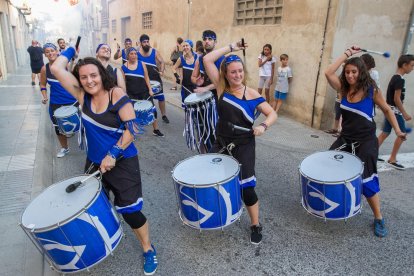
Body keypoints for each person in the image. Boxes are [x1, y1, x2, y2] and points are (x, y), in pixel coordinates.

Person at [51, 47, 159, 275]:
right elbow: (55, 67)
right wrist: (71, 49)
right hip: (94, 162)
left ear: (102, 74)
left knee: (130, 212)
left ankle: (148, 249)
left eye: (93, 75)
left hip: (122, 161)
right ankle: (104, 238)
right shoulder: (82, 96)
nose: (89, 81)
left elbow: (132, 129)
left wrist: (113, 153)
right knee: (93, 205)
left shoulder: (116, 94)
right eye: (83, 77)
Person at [324, 45, 407, 238]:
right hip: (346, 138)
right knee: (328, 163)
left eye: (354, 71)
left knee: (368, 181)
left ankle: (378, 218)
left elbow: (387, 109)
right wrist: (347, 54)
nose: (350, 75)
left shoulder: (372, 91)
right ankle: (339, 202)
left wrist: (397, 129)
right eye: (347, 72)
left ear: (361, 72)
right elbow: (328, 72)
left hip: (366, 141)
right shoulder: (343, 89)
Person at [204, 40, 277, 245]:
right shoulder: (221, 88)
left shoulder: (252, 94)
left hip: (244, 145)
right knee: (212, 177)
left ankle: (255, 224)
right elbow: (207, 59)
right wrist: (231, 47)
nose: (237, 75)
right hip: (221, 141)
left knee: (247, 188)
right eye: (232, 72)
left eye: (240, 71)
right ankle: (220, 211)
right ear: (225, 74)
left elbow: (272, 114)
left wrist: (263, 126)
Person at [39, 43, 77, 158]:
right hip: (56, 103)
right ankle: (65, 148)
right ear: (45, 54)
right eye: (47, 52)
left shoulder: (67, 65)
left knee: (81, 125)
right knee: (58, 127)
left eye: (52, 50)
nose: (50, 53)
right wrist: (45, 96)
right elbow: (42, 84)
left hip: (73, 101)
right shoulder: (44, 69)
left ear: (57, 52)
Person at [377, 54, 414, 170]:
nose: (413, 68)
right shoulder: (399, 80)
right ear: (404, 65)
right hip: (395, 112)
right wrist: (404, 113)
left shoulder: (395, 77)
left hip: (390, 111)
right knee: (402, 134)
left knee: (385, 133)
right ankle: (392, 159)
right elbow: (396, 99)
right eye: (412, 65)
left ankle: (372, 153)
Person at [121, 47, 164, 137]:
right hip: (131, 94)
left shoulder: (142, 64)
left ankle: (155, 130)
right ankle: (132, 132)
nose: (134, 55)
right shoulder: (123, 67)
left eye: (135, 54)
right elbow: (123, 83)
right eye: (131, 54)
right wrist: (124, 95)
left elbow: (146, 77)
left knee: (152, 110)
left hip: (144, 92)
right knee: (132, 114)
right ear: (128, 56)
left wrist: (150, 89)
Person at [138, 34, 169, 124]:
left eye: (147, 41)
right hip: (143, 80)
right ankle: (145, 116)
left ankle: (164, 115)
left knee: (161, 97)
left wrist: (162, 71)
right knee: (144, 98)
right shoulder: (137, 53)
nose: (146, 43)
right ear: (141, 43)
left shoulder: (154, 52)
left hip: (155, 79)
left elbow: (162, 62)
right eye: (144, 42)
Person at [172, 39, 197, 106]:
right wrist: (177, 76)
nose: (185, 47)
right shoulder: (181, 58)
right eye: (184, 46)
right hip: (185, 87)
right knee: (186, 108)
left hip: (195, 87)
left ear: (191, 46)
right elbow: (173, 68)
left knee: (195, 108)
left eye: (187, 45)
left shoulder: (197, 57)